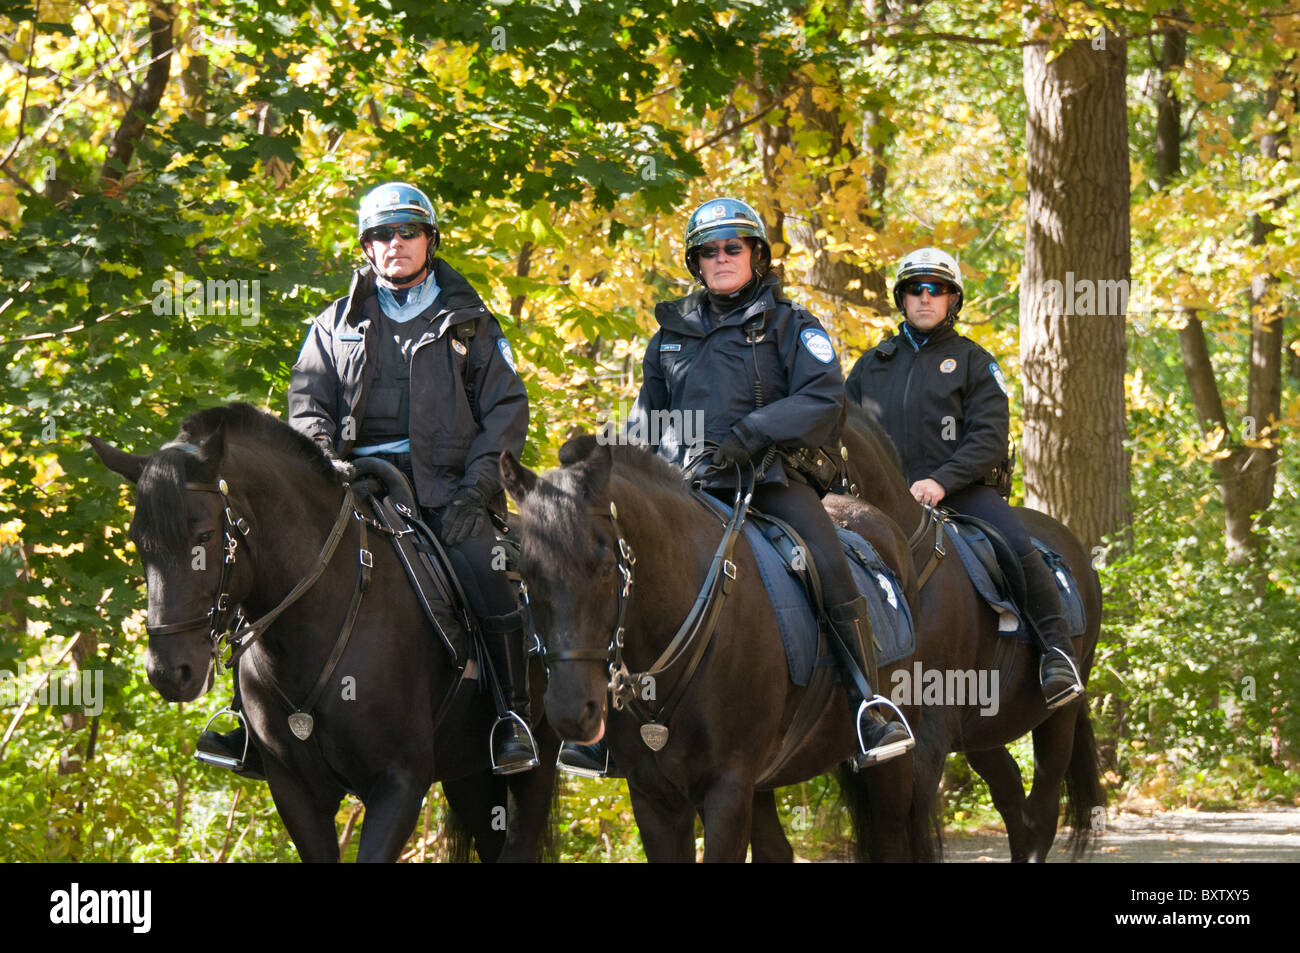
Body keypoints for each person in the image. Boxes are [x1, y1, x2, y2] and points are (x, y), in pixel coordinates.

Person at [559, 198, 915, 777]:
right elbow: (647, 420)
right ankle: (606, 733)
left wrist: (753, 432)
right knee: (611, 574)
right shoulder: (668, 336)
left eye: (732, 248)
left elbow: (825, 397)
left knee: (828, 564)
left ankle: (864, 703)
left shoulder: (790, 326)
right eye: (708, 251)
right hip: (683, 489)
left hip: (769, 482)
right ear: (695, 261)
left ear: (755, 254)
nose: (720, 258)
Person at [198, 182, 539, 776]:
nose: (395, 244)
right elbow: (307, 405)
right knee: (258, 563)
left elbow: (506, 413)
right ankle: (245, 722)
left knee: (493, 578)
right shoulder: (333, 324)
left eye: (407, 232)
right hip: (352, 483)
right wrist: (324, 460)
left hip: (446, 489)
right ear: (367, 247)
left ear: (430, 241)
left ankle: (513, 716)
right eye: (382, 235)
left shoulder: (471, 323)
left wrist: (478, 489)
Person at [843, 247, 1083, 709]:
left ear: (953, 299)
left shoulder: (974, 362)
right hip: (878, 503)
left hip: (962, 493)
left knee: (1017, 542)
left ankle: (1057, 652)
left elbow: (989, 439)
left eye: (937, 289)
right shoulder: (871, 366)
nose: (925, 298)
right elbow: (843, 435)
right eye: (915, 289)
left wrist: (941, 481)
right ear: (902, 298)